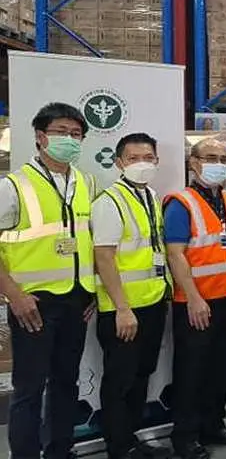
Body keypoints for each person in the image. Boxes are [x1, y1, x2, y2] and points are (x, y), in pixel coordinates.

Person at [0, 103, 96, 459]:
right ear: (41, 137)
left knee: (66, 382)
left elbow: (89, 239)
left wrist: (91, 289)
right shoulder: (14, 185)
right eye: (61, 132)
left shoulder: (86, 182)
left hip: (77, 299)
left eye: (76, 134)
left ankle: (60, 450)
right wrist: (14, 296)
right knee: (29, 389)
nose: (69, 139)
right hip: (33, 304)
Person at [164, 138, 226, 459]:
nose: (219, 164)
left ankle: (214, 424)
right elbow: (175, 254)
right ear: (194, 163)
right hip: (197, 302)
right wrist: (193, 298)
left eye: (224, 159)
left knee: (221, 367)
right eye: (211, 157)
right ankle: (185, 436)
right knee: (192, 371)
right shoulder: (181, 203)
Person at [92, 133, 172, 459]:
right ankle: (119, 447)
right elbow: (104, 257)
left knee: (141, 376)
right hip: (123, 310)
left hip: (151, 303)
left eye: (148, 158)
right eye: (134, 158)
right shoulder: (110, 202)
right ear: (119, 162)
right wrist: (122, 309)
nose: (142, 164)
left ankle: (131, 439)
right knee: (120, 382)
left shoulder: (150, 195)